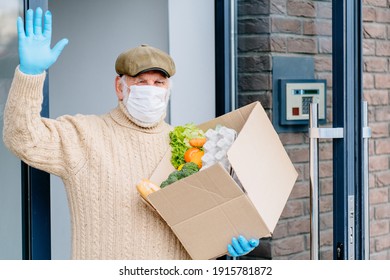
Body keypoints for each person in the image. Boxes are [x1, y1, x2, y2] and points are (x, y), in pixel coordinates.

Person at [3, 7, 259, 260]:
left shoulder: (189, 147)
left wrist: (230, 237)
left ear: (168, 89)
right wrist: (31, 75)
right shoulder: (83, 135)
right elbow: (23, 138)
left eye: (159, 83)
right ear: (120, 86)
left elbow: (202, 222)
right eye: (141, 82)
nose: (152, 90)